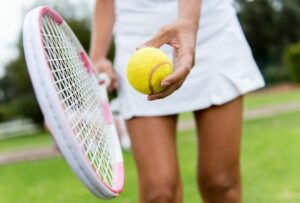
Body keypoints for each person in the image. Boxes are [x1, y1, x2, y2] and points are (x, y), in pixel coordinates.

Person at [90, 0, 265, 202]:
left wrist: (188, 22)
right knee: (159, 193)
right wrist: (98, 57)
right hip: (138, 40)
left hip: (209, 29)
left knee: (220, 183)